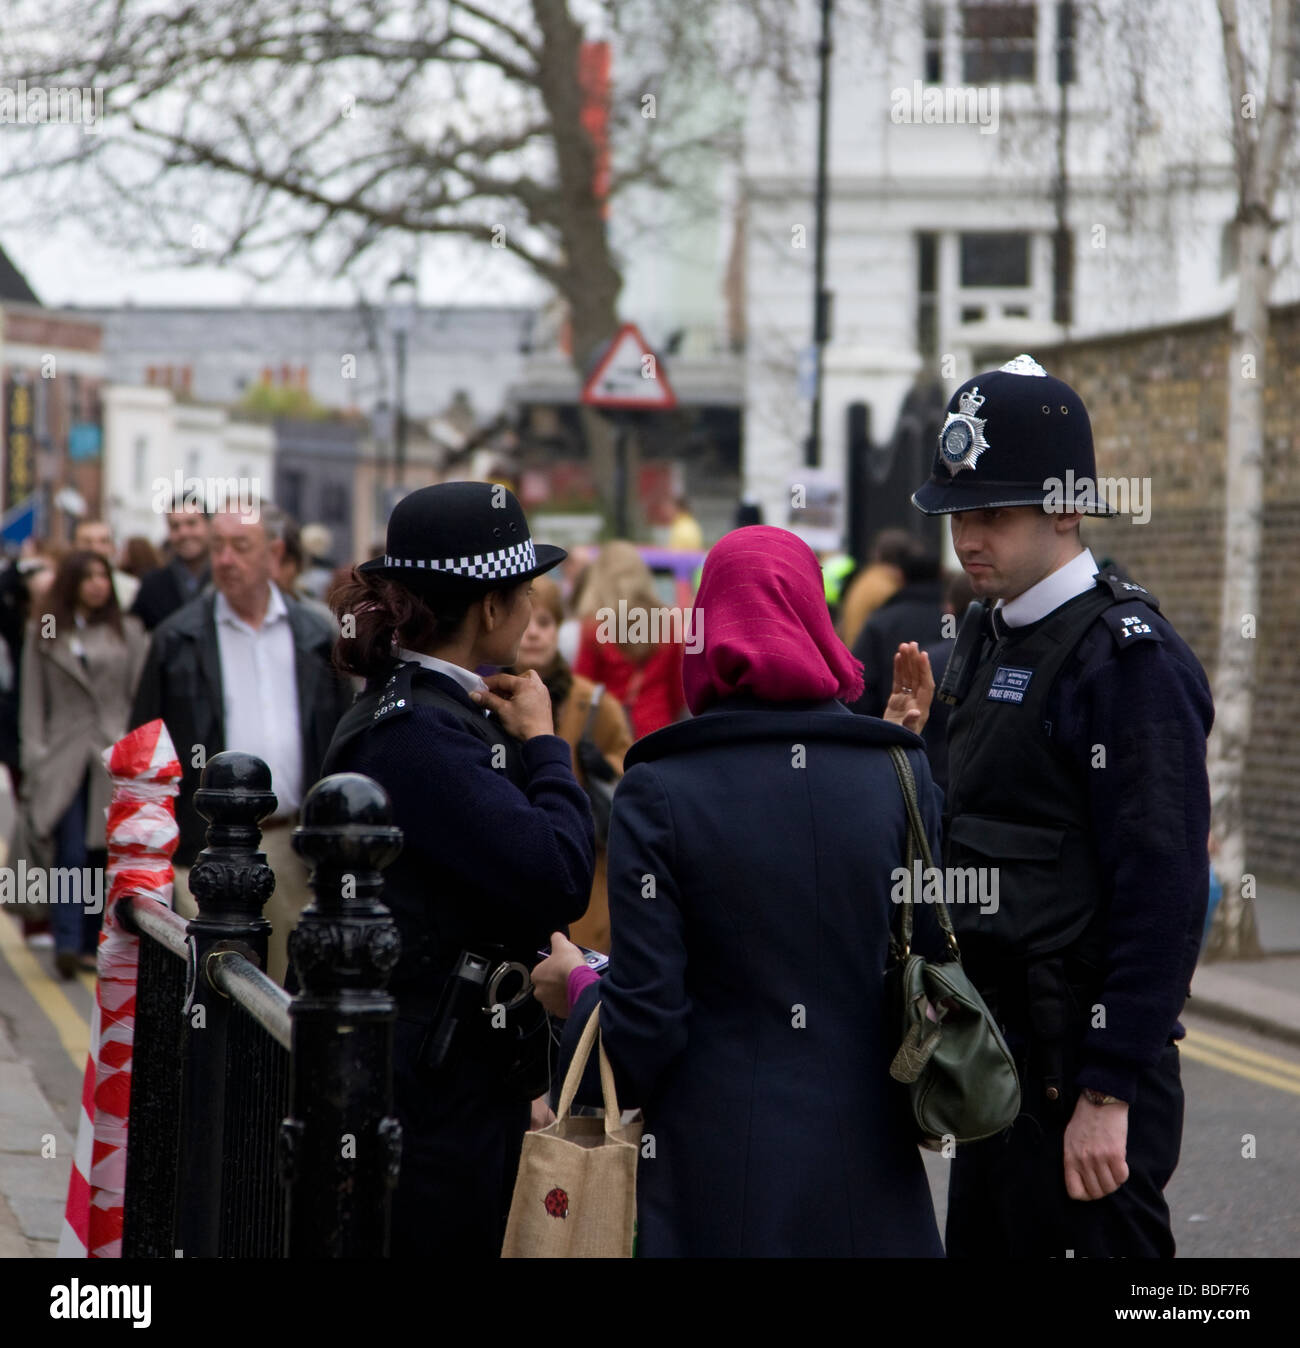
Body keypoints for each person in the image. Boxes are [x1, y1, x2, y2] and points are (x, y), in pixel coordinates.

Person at [533, 525, 945, 1258]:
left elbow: (647, 1027)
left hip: (717, 1174)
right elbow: (922, 962)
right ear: (814, 620)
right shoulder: (899, 774)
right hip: (872, 1167)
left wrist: (582, 991)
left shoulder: (658, 788)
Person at [908, 353, 1214, 1258]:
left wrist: (1108, 1092)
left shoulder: (1129, 662)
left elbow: (1162, 890)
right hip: (997, 1066)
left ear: (1067, 507)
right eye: (960, 514)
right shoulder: (986, 633)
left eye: (993, 513)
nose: (969, 536)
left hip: (1081, 1075)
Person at [317, 481, 595, 1258]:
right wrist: (545, 743)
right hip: (438, 1093)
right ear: (488, 608)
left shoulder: (429, 713)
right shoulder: (421, 738)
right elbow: (560, 875)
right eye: (527, 587)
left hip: (459, 1071)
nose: (537, 602)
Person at [129, 502, 353, 985]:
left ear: (274, 554)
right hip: (204, 851)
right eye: (218, 547)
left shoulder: (317, 635)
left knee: (285, 999)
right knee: (214, 995)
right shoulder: (177, 638)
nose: (225, 559)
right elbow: (144, 750)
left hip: (293, 848)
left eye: (240, 546)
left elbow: (341, 745)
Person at [19, 550, 148, 977]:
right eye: (87, 576)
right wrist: (34, 757)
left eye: (103, 575)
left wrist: (136, 754)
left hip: (112, 757)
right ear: (70, 581)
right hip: (62, 757)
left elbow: (137, 700)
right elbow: (33, 701)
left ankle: (92, 941)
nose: (97, 584)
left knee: (101, 855)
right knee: (69, 853)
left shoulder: (127, 631)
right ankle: (68, 941)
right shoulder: (46, 629)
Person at [510, 573, 633, 954]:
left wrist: (602, 769)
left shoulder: (594, 703)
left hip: (587, 870)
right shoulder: (492, 696)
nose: (533, 634)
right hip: (520, 866)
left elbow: (629, 777)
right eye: (526, 623)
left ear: (560, 630)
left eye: (545, 623)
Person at [571, 542, 686, 738]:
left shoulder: (593, 627)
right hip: (658, 729)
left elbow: (582, 691)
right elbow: (678, 692)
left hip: (610, 733)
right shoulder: (670, 622)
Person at [849, 536, 944, 717]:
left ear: (900, 575)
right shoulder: (955, 618)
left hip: (890, 725)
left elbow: (861, 685)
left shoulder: (881, 620)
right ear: (941, 573)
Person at [130, 509, 212, 630]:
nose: (183, 533)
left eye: (191, 523)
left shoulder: (228, 580)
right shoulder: (152, 585)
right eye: (175, 526)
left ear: (209, 526)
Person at [73, 518, 140, 613]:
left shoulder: (131, 588)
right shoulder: (59, 587)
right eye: (87, 542)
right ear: (75, 545)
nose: (95, 548)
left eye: (103, 541)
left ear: (113, 547)